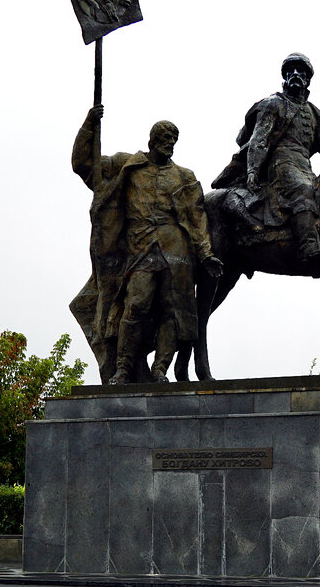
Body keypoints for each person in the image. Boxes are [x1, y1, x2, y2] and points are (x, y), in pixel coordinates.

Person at [70, 105, 223, 384]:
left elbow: (197, 216)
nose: (170, 146)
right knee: (135, 305)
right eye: (165, 140)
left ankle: (160, 369)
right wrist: (89, 125)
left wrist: (206, 253)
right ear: (151, 141)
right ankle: (123, 369)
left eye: (173, 141)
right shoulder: (127, 166)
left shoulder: (184, 177)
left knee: (171, 312)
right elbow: (85, 166)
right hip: (139, 249)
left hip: (176, 252)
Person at [212, 53, 320, 260]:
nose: (295, 74)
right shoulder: (273, 103)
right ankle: (308, 245)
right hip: (280, 162)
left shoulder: (317, 114)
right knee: (302, 188)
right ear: (285, 77)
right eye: (290, 71)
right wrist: (252, 171)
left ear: (307, 78)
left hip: (304, 165)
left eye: (300, 71)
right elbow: (260, 139)